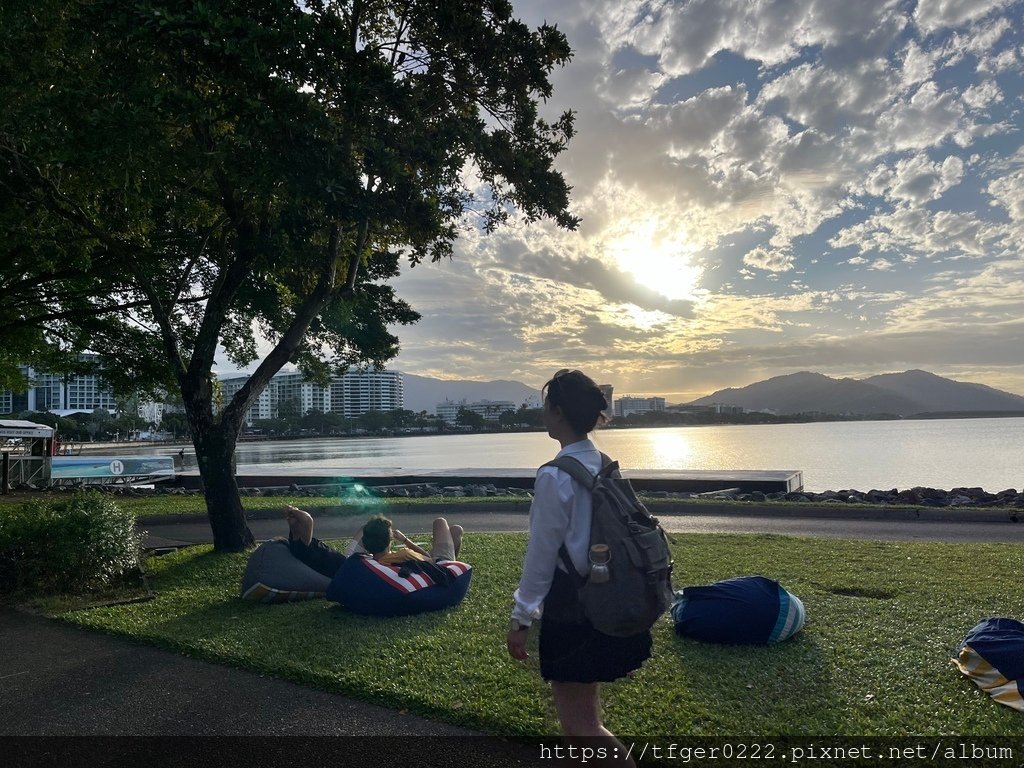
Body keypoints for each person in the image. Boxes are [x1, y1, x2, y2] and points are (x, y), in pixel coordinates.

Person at [506, 369, 650, 765]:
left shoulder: (555, 476)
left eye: (545, 406)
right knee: (584, 719)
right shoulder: (603, 463)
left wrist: (521, 619)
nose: (542, 415)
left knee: (581, 726)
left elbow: (541, 556)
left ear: (557, 412)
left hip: (573, 607)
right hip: (608, 596)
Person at [347, 514, 464, 565]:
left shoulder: (369, 560)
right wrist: (405, 540)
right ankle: (454, 569)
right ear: (390, 539)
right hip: (441, 566)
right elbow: (431, 560)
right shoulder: (404, 555)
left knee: (454, 531)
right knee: (444, 524)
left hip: (423, 565)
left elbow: (361, 535)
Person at [284, 504, 348, 578]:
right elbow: (307, 519)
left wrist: (291, 512)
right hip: (343, 570)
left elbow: (299, 521)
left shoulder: (294, 539)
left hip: (344, 565)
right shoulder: (301, 547)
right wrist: (293, 510)